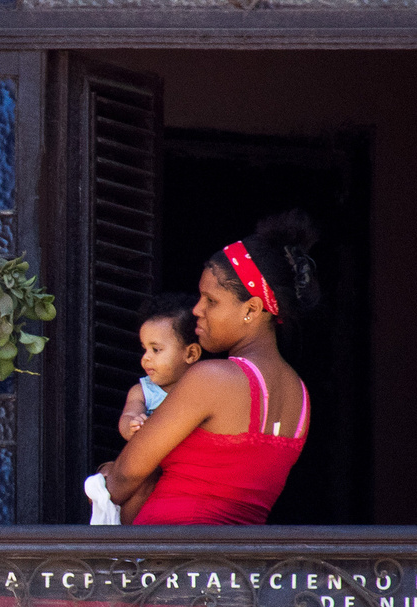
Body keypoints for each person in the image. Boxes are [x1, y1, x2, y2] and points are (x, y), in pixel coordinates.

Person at [101, 212, 319, 527]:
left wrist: (105, 475)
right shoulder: (300, 396)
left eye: (211, 301)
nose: (196, 310)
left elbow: (125, 475)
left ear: (252, 309)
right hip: (233, 571)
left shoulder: (212, 378)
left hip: (171, 567)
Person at [115, 300, 207, 441]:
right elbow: (128, 416)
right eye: (144, 349)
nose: (146, 358)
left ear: (191, 354)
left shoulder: (206, 389)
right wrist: (133, 426)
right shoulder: (143, 393)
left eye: (156, 350)